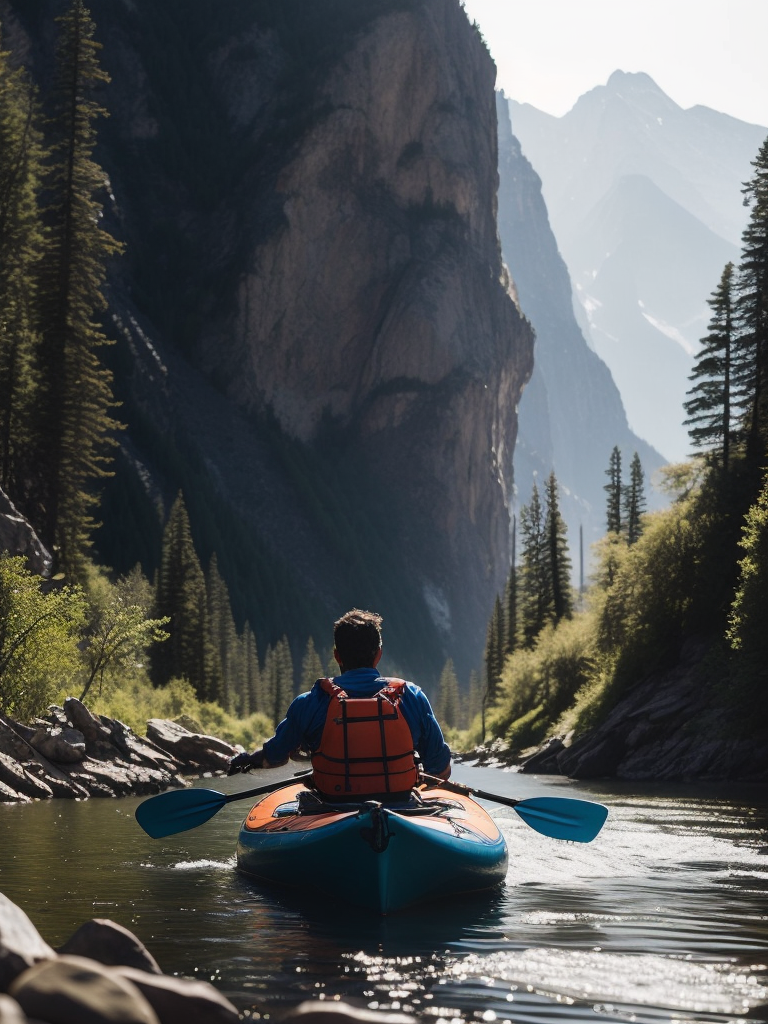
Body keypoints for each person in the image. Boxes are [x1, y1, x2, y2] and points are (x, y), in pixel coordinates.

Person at [228, 608, 451, 799]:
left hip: (333, 804)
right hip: (399, 802)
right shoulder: (411, 696)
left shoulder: (310, 702)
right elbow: (440, 768)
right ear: (379, 655)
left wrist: (248, 760)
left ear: (337, 656)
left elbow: (273, 756)